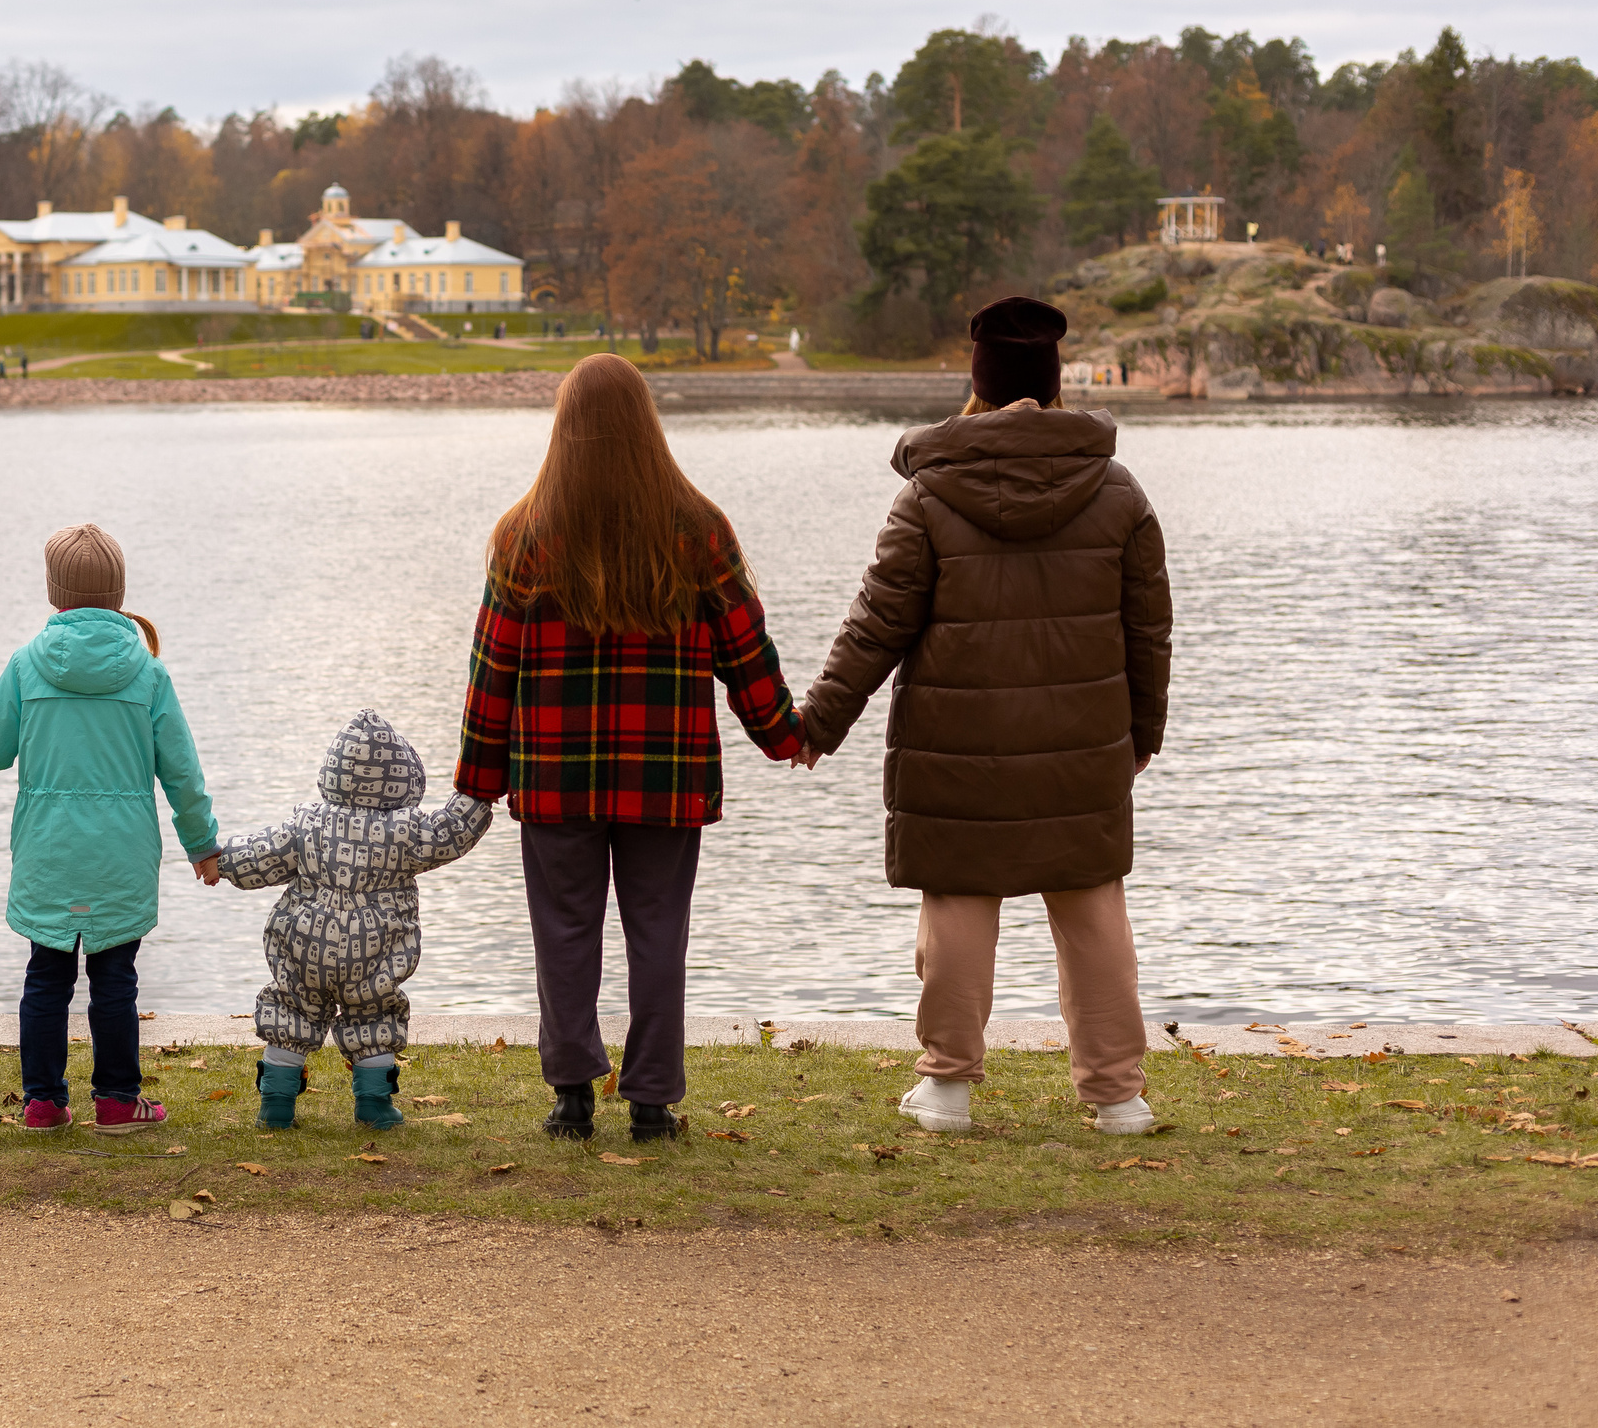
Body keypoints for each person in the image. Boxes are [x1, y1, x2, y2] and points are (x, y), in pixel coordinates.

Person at [796, 296, 1172, 1137]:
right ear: (1054, 381)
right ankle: (1118, 1096)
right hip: (1082, 743)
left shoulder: (930, 495)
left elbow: (877, 623)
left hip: (957, 747)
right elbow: (1150, 631)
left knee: (961, 904)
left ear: (977, 382)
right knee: (1091, 909)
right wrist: (1141, 734)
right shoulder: (1118, 492)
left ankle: (947, 1089)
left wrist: (816, 722)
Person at [456, 353, 805, 1144]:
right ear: (648, 423)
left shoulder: (523, 535)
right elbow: (746, 651)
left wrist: (478, 779)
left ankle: (572, 1098)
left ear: (564, 427)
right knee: (658, 932)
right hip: (665, 773)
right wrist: (785, 735)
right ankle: (651, 1102)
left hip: (554, 775)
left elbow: (492, 667)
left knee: (565, 932)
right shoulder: (698, 529)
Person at [0, 524, 217, 1136]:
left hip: (49, 852)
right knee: (116, 979)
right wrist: (203, 845)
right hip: (121, 857)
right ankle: (116, 1101)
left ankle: (43, 1103)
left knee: (46, 976)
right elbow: (183, 774)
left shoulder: (26, 667)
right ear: (118, 593)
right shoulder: (149, 675)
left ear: (54, 592)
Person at [210, 710, 491, 1130]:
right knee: (374, 1015)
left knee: (293, 1010)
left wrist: (221, 859)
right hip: (375, 949)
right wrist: (479, 794)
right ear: (405, 777)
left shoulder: (308, 824)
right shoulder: (407, 831)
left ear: (332, 772)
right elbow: (451, 830)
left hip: (306, 942)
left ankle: (276, 1105)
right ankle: (374, 1105)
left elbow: (263, 851)